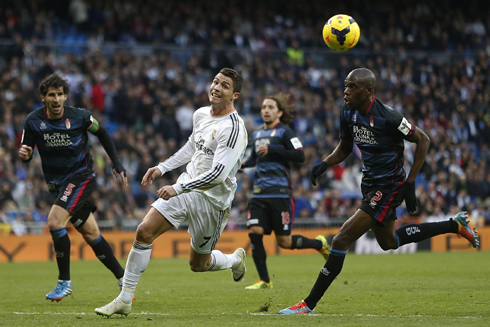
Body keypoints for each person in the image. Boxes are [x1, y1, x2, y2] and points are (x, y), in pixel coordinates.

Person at [279, 68, 479, 314]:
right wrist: (324, 164)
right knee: (389, 242)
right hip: (370, 184)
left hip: (389, 185)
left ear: (369, 91)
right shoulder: (348, 111)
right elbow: (344, 147)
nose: (346, 91)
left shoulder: (389, 117)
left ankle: (308, 304)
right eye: (345, 85)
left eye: (352, 87)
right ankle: (455, 225)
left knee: (341, 239)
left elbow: (423, 139)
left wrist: (411, 182)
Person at [95, 67, 248, 317]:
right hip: (187, 188)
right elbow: (192, 147)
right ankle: (124, 299)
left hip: (212, 202)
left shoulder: (233, 129)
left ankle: (234, 260)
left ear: (235, 96)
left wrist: (177, 187)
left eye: (225, 86)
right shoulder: (200, 114)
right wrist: (162, 167)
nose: (217, 88)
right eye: (215, 82)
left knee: (198, 264)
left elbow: (218, 175)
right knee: (144, 231)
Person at [19, 73, 128, 302]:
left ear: (66, 96)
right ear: (43, 98)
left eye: (60, 94)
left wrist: (116, 164)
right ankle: (124, 280)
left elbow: (103, 133)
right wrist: (26, 155)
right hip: (57, 185)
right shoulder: (32, 121)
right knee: (91, 233)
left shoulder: (81, 117)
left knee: (54, 222)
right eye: (51, 95)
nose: (56, 99)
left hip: (81, 177)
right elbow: (26, 151)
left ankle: (64, 282)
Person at [240, 93, 330, 290]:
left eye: (270, 107)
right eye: (264, 107)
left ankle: (318, 244)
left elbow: (299, 155)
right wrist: (245, 164)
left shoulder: (285, 132)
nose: (265, 110)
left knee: (285, 242)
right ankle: (265, 280)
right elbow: (257, 158)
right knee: (254, 231)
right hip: (258, 194)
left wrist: (273, 150)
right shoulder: (256, 134)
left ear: (279, 112)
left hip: (280, 194)